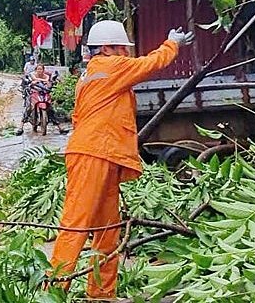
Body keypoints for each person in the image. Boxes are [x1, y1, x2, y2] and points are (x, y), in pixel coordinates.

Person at [48, 20, 193, 299]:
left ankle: (101, 294)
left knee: (107, 230)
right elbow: (149, 64)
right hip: (94, 153)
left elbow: (79, 117)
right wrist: (172, 43)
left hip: (98, 153)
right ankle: (52, 292)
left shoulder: (90, 75)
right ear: (106, 48)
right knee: (76, 225)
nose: (125, 53)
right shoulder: (110, 66)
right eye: (121, 48)